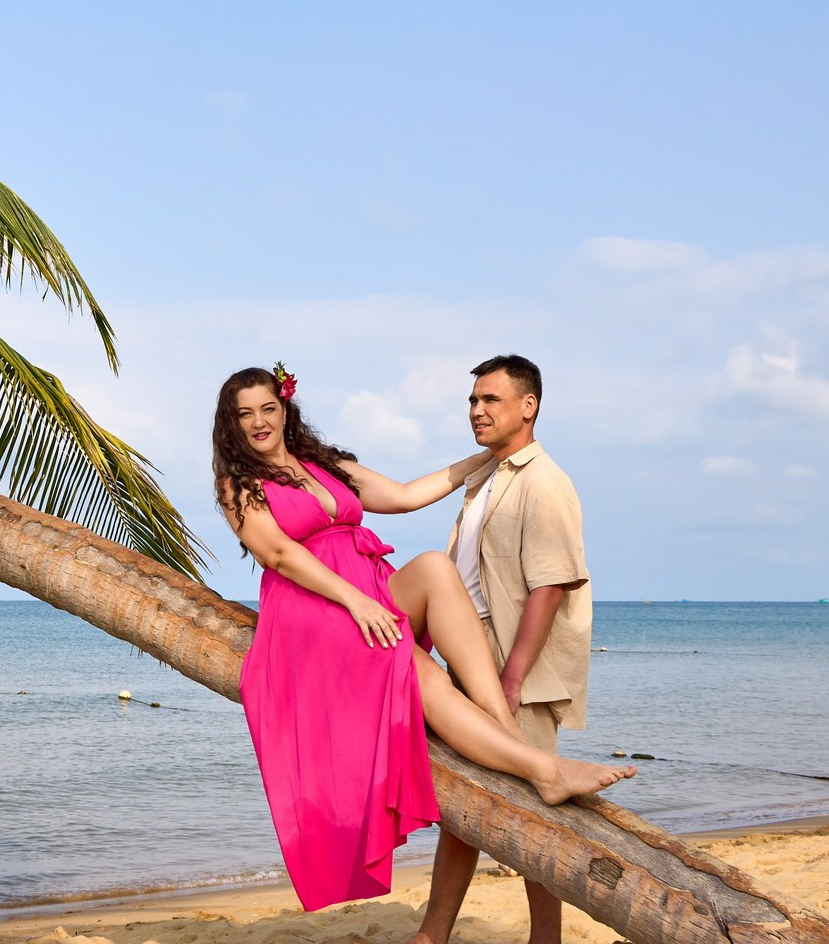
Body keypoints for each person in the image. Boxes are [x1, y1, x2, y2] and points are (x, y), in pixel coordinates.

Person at [213, 364, 631, 913]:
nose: (259, 422)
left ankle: (507, 731)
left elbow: (408, 495)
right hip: (313, 614)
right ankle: (541, 768)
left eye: (268, 408)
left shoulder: (324, 464)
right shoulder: (238, 485)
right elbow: (278, 554)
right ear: (233, 424)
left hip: (370, 599)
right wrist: (355, 600)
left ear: (285, 408)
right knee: (419, 669)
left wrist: (489, 458)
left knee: (434, 566)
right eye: (245, 414)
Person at [402, 354, 612, 944]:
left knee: (534, 809)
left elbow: (550, 585)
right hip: (476, 658)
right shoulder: (486, 479)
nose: (477, 410)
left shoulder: (544, 481)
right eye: (473, 400)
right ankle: (434, 938)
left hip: (515, 665)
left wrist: (513, 677)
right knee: (468, 808)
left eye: (490, 399)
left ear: (529, 406)